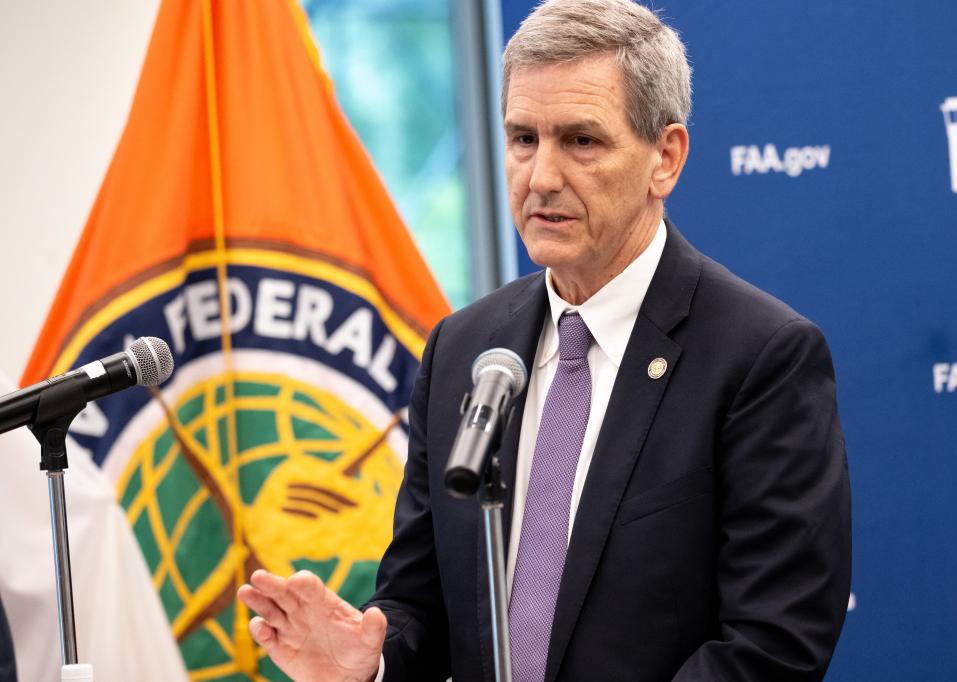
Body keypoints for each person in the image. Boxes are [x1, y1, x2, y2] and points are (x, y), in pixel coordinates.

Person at [238, 0, 852, 679]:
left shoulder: (759, 358)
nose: (542, 176)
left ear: (665, 159)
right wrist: (371, 664)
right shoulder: (461, 351)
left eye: (581, 141)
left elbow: (772, 647)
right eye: (523, 139)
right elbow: (420, 603)